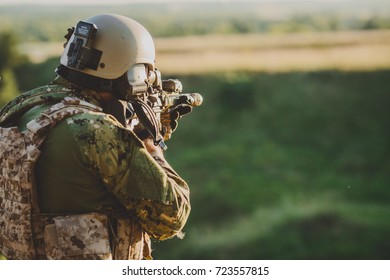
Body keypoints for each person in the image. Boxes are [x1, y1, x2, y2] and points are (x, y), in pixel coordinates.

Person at [0, 13, 191, 260]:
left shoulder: (22, 110)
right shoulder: (96, 131)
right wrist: (152, 149)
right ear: (126, 70)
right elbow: (171, 217)